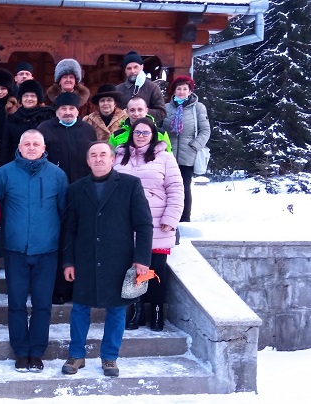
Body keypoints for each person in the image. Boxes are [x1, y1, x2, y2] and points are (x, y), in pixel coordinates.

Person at [60, 141, 153, 378]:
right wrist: (68, 261)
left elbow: (143, 225)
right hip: (84, 259)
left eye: (103, 154)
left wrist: (142, 259)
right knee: (80, 309)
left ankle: (110, 357)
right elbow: (69, 229)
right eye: (93, 155)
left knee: (117, 310)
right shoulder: (76, 188)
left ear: (112, 159)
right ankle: (76, 355)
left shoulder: (130, 185)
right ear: (88, 161)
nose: (99, 159)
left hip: (119, 260)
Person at [0, 130, 67, 373]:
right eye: (27, 144)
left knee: (42, 304)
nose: (32, 147)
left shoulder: (57, 175)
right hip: (15, 249)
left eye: (36, 144)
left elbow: (63, 211)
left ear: (44, 146)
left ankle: (37, 352)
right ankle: (21, 352)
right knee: (16, 303)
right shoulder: (4, 174)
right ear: (20, 146)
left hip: (47, 250)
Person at [114, 117, 184, 331]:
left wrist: (171, 218)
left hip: (156, 221)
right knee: (133, 269)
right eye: (137, 132)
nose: (141, 136)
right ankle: (137, 311)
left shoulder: (165, 158)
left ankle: (156, 310)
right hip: (126, 222)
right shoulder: (119, 156)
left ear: (153, 135)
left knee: (155, 269)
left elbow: (176, 189)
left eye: (146, 133)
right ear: (131, 134)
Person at [36, 91, 97, 305]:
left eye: (71, 109)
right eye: (63, 109)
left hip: (83, 193)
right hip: (54, 195)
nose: (68, 112)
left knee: (81, 239)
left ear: (77, 110)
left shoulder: (88, 130)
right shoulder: (45, 130)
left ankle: (79, 287)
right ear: (57, 111)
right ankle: (58, 288)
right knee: (59, 239)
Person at [162, 75, 211, 222]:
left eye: (185, 89)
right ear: (174, 91)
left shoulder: (198, 108)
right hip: (168, 154)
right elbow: (159, 129)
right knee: (166, 187)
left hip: (188, 155)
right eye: (179, 88)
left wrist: (195, 146)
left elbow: (205, 130)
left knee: (184, 187)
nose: (182, 91)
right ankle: (167, 218)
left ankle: (184, 219)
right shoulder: (166, 108)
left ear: (190, 91)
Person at [0, 80, 55, 165]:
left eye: (33, 96)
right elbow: (6, 146)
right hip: (16, 163)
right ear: (21, 98)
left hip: (42, 164)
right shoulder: (12, 118)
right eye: (26, 96)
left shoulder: (47, 116)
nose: (29, 99)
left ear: (38, 98)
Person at [115, 50, 166, 123]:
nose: (132, 71)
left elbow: (162, 112)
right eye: (129, 68)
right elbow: (113, 113)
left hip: (147, 131)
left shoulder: (153, 88)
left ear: (142, 67)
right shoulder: (118, 89)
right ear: (125, 70)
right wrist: (124, 114)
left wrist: (142, 112)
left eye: (135, 67)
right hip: (124, 130)